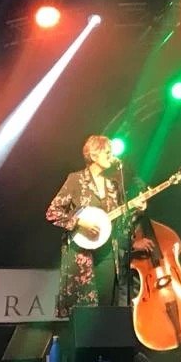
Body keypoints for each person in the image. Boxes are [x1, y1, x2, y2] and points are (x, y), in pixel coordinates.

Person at [45, 135, 152, 319]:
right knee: (83, 309)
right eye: (106, 151)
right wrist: (79, 222)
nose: (111, 155)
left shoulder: (113, 185)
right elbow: (52, 212)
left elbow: (122, 222)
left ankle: (104, 344)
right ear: (93, 155)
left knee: (105, 302)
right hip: (81, 253)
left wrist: (137, 209)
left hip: (107, 252)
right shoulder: (76, 180)